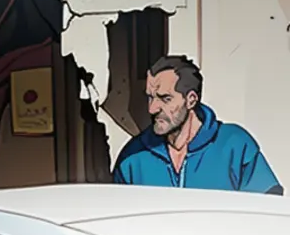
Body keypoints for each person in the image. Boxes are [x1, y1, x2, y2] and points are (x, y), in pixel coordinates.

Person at [112, 54, 282, 193]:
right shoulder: (133, 157)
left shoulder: (235, 145)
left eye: (165, 99)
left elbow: (267, 210)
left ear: (191, 100)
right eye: (150, 97)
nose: (152, 108)